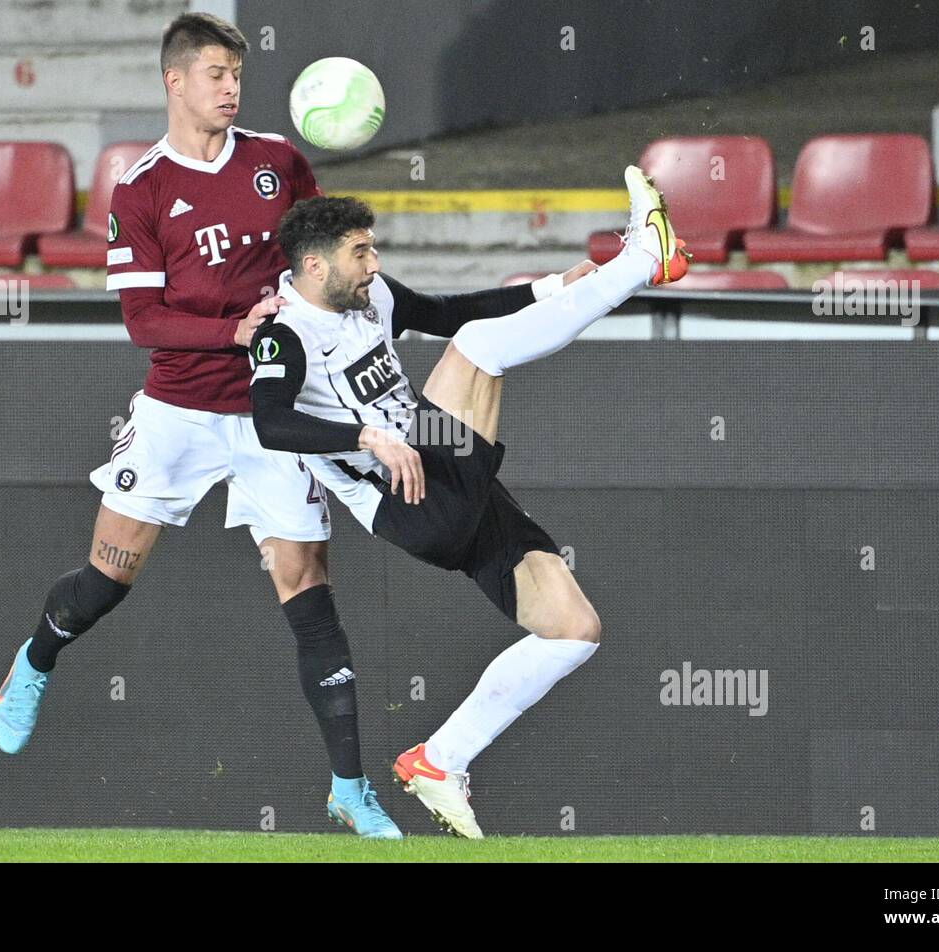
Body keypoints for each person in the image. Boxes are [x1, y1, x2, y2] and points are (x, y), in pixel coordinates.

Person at [0, 11, 478, 839]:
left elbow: (330, 258)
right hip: (178, 411)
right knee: (106, 581)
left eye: (237, 75)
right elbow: (143, 322)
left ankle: (350, 789)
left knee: (309, 590)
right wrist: (233, 329)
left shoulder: (279, 162)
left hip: (274, 414)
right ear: (174, 81)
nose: (229, 87)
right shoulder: (140, 187)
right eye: (214, 73)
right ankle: (35, 660)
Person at [247, 166, 689, 836]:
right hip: (409, 497)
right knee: (478, 352)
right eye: (360, 252)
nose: (375, 262)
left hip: (439, 460)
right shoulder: (283, 334)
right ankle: (641, 260)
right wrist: (365, 435)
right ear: (314, 264)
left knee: (574, 629)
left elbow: (447, 311)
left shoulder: (370, 297)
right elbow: (270, 423)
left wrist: (548, 288)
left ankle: (440, 759)